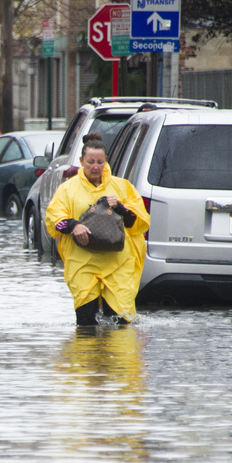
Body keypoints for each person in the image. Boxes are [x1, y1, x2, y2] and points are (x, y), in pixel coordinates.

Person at [45, 132, 150, 326]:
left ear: (106, 161)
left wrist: (120, 208)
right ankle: (88, 357)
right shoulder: (68, 189)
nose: (95, 167)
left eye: (100, 162)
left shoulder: (122, 186)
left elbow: (138, 222)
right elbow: (53, 219)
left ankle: (116, 357)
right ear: (81, 160)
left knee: (120, 324)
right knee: (86, 323)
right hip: (83, 263)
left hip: (119, 262)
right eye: (90, 161)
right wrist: (73, 225)